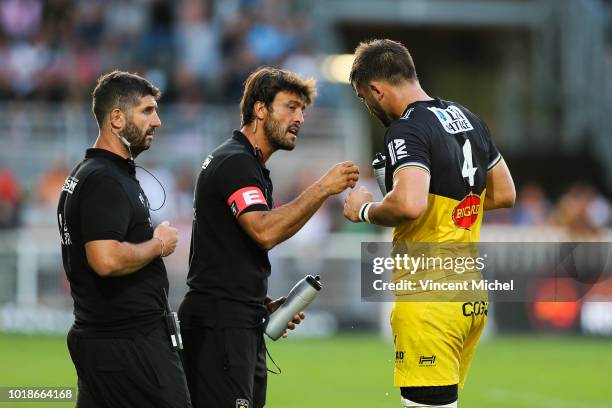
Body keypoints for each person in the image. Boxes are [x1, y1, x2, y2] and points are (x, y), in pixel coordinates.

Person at [343, 39, 516, 407]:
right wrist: (449, 206)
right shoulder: (468, 118)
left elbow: (408, 204)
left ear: (376, 89)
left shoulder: (406, 129)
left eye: (363, 98)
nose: (368, 106)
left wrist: (363, 209)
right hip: (470, 297)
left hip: (428, 298)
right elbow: (504, 194)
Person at [179, 66, 360, 408]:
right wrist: (322, 188)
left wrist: (258, 302)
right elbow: (264, 231)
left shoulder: (247, 163)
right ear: (260, 109)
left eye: (303, 110)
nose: (300, 118)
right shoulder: (235, 162)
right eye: (291, 106)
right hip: (220, 325)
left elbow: (230, 247)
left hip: (236, 318)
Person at [57, 71, 191, 408]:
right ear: (117, 118)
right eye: (146, 111)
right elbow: (106, 259)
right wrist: (159, 244)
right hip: (130, 343)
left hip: (104, 338)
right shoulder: (105, 179)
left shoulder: (87, 173)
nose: (157, 121)